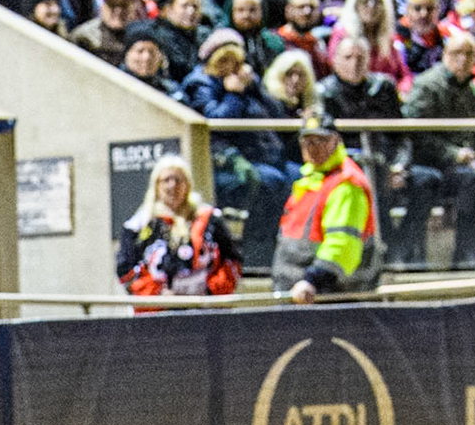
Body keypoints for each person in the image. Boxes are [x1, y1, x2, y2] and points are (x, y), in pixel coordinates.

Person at [184, 29, 294, 267]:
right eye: (225, 60)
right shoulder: (200, 84)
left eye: (236, 61)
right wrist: (233, 95)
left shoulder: (246, 82)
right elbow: (219, 125)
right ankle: (256, 256)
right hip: (226, 162)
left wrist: (253, 87)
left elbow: (276, 114)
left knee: (298, 177)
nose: (230, 67)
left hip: (264, 156)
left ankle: (281, 250)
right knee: (271, 182)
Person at [404, 30, 475, 265]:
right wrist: (453, 154)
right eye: (456, 53)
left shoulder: (473, 90)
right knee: (471, 179)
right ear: (445, 54)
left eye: (469, 54)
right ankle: (464, 252)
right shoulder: (427, 85)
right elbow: (416, 134)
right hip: (432, 163)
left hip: (470, 162)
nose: (462, 60)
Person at [321, 32, 431, 263]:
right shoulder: (325, 92)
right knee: (369, 178)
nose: (355, 63)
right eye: (348, 57)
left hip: (388, 163)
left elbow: (401, 136)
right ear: (335, 61)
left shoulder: (384, 87)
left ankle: (407, 247)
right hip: (349, 166)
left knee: (427, 180)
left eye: (360, 58)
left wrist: (400, 166)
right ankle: (377, 251)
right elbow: (327, 144)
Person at [274, 108, 381, 298]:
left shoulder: (346, 184)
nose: (313, 147)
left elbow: (342, 243)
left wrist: (312, 280)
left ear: (337, 141)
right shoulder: (310, 179)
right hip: (295, 295)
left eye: (321, 140)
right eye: (307, 141)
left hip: (327, 297)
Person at [116, 152, 242, 295]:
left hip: (205, 307)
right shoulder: (139, 225)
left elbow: (232, 262)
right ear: (156, 185)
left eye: (178, 180)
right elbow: (126, 272)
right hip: (157, 311)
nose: (172, 185)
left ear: (188, 185)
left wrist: (208, 291)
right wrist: (159, 295)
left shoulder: (210, 219)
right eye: (166, 180)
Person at [330, 0, 411, 91]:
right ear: (355, 5)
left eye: (376, 2)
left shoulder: (388, 38)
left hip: (387, 97)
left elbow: (404, 75)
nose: (371, 7)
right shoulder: (342, 35)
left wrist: (403, 90)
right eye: (365, 1)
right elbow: (337, 74)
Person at [143, 0, 203, 79]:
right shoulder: (161, 34)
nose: (191, 11)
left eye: (195, 7)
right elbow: (182, 67)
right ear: (169, 9)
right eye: (185, 6)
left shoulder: (198, 36)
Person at [73, 0, 138, 65]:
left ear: (133, 8)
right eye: (112, 4)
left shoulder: (139, 39)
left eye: (124, 5)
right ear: (102, 7)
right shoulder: (84, 36)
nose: (118, 10)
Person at [277, 0, 333, 75]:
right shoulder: (278, 41)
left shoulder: (318, 44)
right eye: (301, 6)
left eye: (312, 7)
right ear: (288, 10)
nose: (307, 12)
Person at [233, 0, 286, 76]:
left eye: (252, 10)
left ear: (262, 12)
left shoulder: (273, 41)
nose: (246, 15)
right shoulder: (224, 40)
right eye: (240, 10)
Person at [400, 0, 447, 74]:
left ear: (438, 10)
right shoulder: (397, 36)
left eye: (430, 8)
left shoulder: (448, 36)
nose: (423, 14)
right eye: (417, 8)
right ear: (407, 10)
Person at [122, 22, 183, 93]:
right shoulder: (113, 77)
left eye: (152, 52)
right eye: (140, 51)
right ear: (127, 53)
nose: (146, 57)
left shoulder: (170, 91)